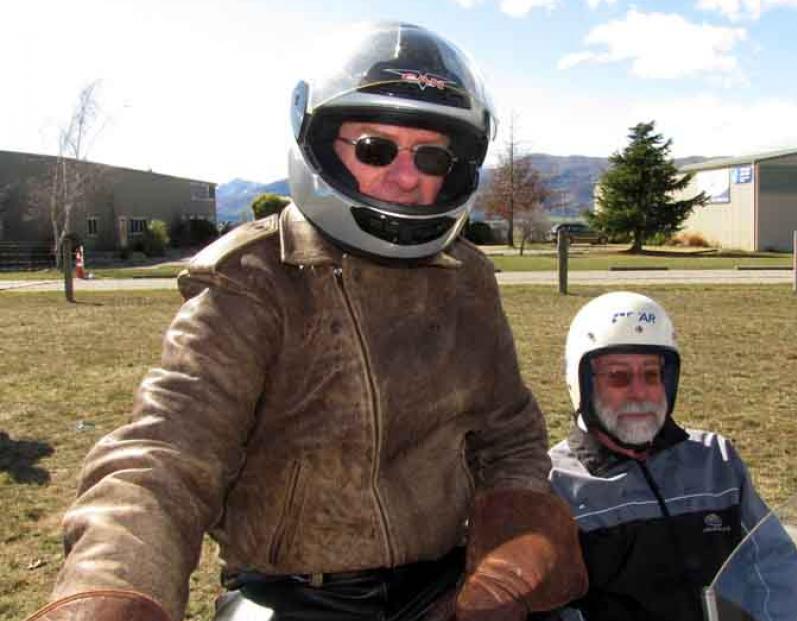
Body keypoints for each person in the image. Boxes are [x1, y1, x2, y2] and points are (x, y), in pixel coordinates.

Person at [26, 22, 586, 621]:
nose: (406, 175)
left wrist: (508, 547)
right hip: (294, 593)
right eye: (374, 149)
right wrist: (111, 587)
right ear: (319, 147)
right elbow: (167, 449)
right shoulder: (255, 277)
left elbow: (510, 430)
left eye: (430, 155)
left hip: (446, 582)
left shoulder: (465, 276)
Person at [548, 291, 797, 621]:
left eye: (651, 375)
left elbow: (770, 560)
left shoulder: (716, 462)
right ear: (581, 383)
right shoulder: (554, 487)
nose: (639, 393)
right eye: (618, 377)